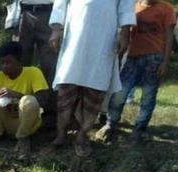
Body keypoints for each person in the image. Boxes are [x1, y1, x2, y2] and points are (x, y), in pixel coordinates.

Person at [47, 0, 136, 159]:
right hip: (74, 37)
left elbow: (126, 5)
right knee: (66, 85)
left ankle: (82, 136)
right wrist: (56, 29)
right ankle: (60, 135)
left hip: (104, 39)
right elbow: (60, 3)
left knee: (96, 87)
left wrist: (124, 33)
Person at [97, 0, 176, 146]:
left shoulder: (167, 9)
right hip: (133, 57)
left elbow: (170, 36)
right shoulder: (132, 6)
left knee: (148, 96)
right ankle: (110, 123)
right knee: (120, 93)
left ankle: (139, 129)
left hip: (154, 58)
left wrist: (165, 62)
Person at [0, 40, 50, 157]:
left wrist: (17, 95)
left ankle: (23, 137)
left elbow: (44, 100)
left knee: (29, 101)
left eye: (8, 62)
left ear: (19, 61)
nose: (4, 66)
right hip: (6, 120)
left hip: (25, 123)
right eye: (2, 62)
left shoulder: (33, 72)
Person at [17, 0, 58, 119]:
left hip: (48, 13)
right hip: (23, 12)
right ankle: (17, 108)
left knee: (50, 65)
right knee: (19, 62)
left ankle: (50, 112)